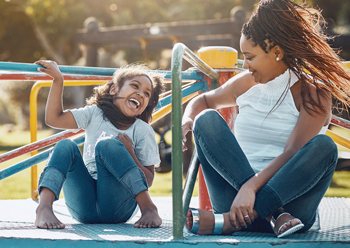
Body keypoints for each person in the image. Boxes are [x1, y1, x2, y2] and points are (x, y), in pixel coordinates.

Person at [181, 0, 350, 238]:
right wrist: (187, 119)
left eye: (250, 57)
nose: (246, 65)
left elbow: (292, 152)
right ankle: (272, 214)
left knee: (325, 147)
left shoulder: (314, 94)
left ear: (277, 53)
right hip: (240, 201)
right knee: (206, 120)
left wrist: (252, 187)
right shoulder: (245, 83)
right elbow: (203, 102)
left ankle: (231, 222)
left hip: (293, 208)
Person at [34, 60, 164, 229]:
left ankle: (149, 208)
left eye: (147, 94)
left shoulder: (142, 130)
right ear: (114, 89)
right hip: (84, 207)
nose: (141, 94)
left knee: (107, 145)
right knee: (65, 145)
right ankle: (44, 208)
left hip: (118, 207)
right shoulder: (95, 114)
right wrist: (58, 80)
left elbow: (149, 179)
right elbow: (54, 119)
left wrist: (129, 153)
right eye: (135, 86)